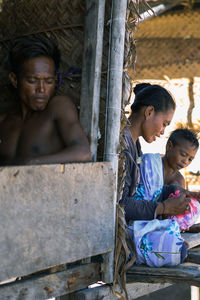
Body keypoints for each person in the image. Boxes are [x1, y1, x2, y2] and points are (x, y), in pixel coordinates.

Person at [120, 83, 191, 267]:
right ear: (149, 112)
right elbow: (120, 205)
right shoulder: (122, 148)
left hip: (133, 224)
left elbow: (141, 191)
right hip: (118, 231)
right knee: (175, 250)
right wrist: (162, 207)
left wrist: (177, 192)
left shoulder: (134, 145)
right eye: (165, 123)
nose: (163, 131)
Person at [0, 36, 91, 166]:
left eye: (49, 81)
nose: (42, 89)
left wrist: (30, 163)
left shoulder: (58, 107)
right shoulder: (4, 122)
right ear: (14, 80)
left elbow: (83, 152)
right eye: (32, 81)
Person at [134, 128, 200, 232]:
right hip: (139, 217)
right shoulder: (150, 166)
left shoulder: (179, 180)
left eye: (190, 159)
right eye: (183, 154)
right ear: (169, 146)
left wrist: (188, 226)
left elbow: (177, 212)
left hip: (162, 226)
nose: (185, 161)